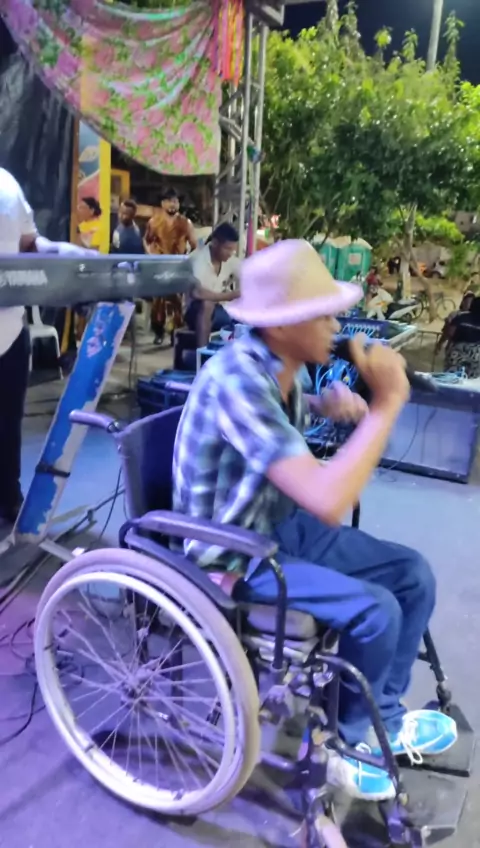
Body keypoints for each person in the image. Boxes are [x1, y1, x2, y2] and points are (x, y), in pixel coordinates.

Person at [172, 239, 456, 802]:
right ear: (282, 324)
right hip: (235, 551)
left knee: (412, 575)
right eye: (323, 315)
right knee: (376, 611)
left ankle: (383, 715)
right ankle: (347, 743)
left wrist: (327, 408)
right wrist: (387, 403)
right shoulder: (238, 380)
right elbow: (327, 499)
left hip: (282, 524)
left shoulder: (286, 368)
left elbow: (285, 451)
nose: (336, 326)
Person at [0, 167, 95, 524]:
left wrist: (59, 252)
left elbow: (29, 244)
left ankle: (7, 498)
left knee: (8, 426)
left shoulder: (6, 183)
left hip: (9, 333)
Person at [144, 188, 197, 345]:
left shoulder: (186, 223)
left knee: (177, 302)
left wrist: (188, 259)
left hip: (178, 266)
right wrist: (151, 254)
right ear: (163, 203)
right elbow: (146, 240)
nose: (173, 204)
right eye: (169, 201)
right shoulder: (153, 222)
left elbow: (194, 244)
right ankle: (158, 332)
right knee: (158, 300)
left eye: (175, 201)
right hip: (160, 265)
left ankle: (176, 333)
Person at [185, 223, 241, 347]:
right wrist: (229, 296)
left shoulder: (230, 260)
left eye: (233, 250)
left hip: (220, 310)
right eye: (227, 249)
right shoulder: (197, 259)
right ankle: (203, 352)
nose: (230, 253)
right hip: (194, 312)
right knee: (207, 304)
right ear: (215, 243)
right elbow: (197, 292)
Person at [440, 295, 480, 378]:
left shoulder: (461, 317)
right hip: (476, 354)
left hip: (457, 351)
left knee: (451, 378)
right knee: (471, 379)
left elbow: (450, 333)